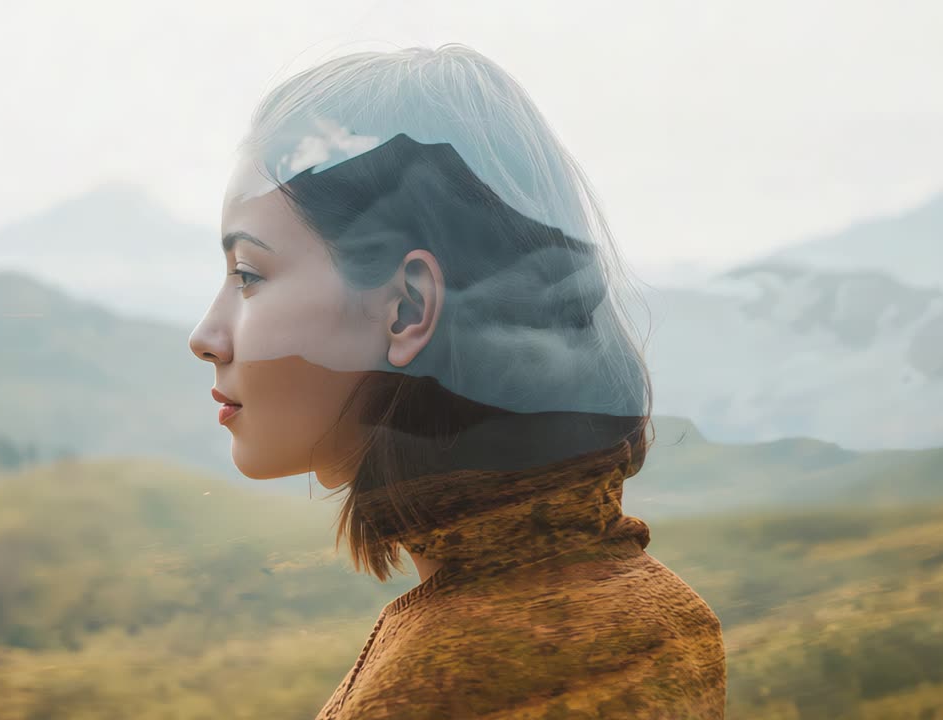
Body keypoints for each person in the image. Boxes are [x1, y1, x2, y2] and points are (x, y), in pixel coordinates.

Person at [189, 43, 727, 720]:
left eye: (248, 274)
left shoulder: (428, 690)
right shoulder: (670, 617)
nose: (205, 337)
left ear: (409, 309)